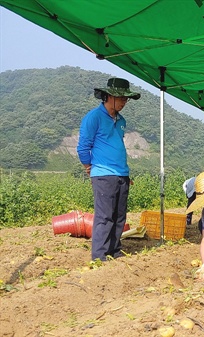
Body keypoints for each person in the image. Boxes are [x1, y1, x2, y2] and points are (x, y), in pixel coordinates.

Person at [76, 77, 140, 261]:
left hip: (121, 174)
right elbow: (83, 147)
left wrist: (125, 172)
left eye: (126, 99)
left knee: (119, 216)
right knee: (104, 217)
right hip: (103, 175)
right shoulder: (93, 118)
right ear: (109, 96)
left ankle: (114, 251)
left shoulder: (121, 121)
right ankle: (100, 256)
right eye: (121, 98)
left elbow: (116, 146)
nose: (124, 102)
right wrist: (89, 167)